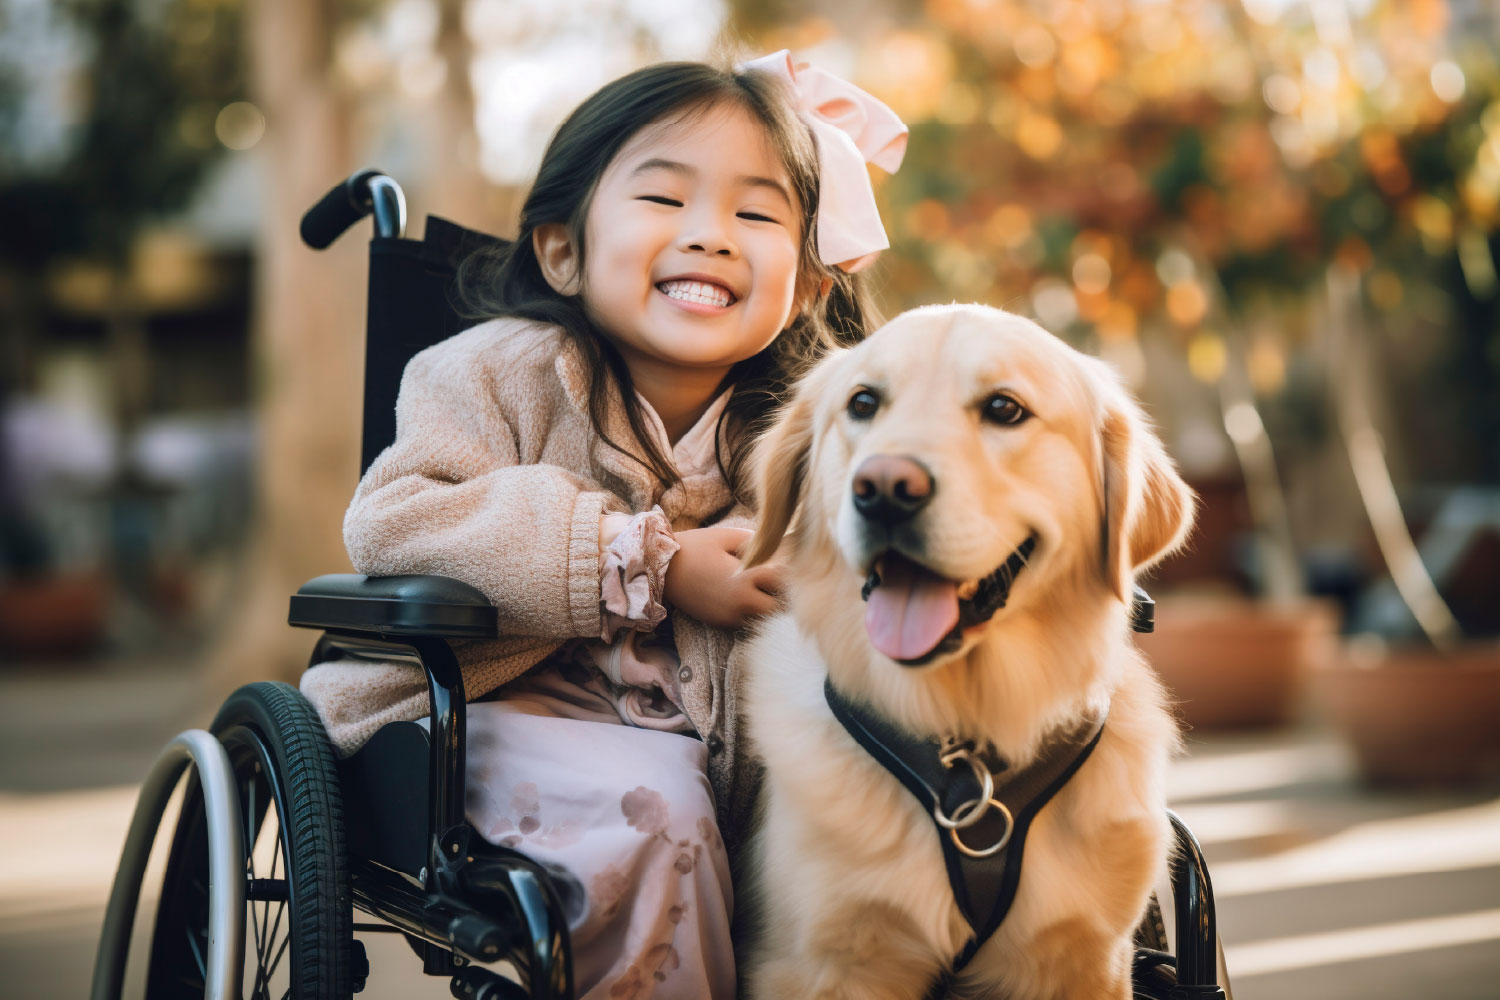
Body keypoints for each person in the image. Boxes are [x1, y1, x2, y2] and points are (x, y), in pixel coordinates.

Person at [301, 50, 906, 998]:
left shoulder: (817, 423)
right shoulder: (491, 373)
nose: (711, 236)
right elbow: (401, 520)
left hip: (737, 747)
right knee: (660, 814)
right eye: (665, 201)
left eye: (756, 214)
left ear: (811, 281)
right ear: (562, 249)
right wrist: (650, 564)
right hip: (488, 717)